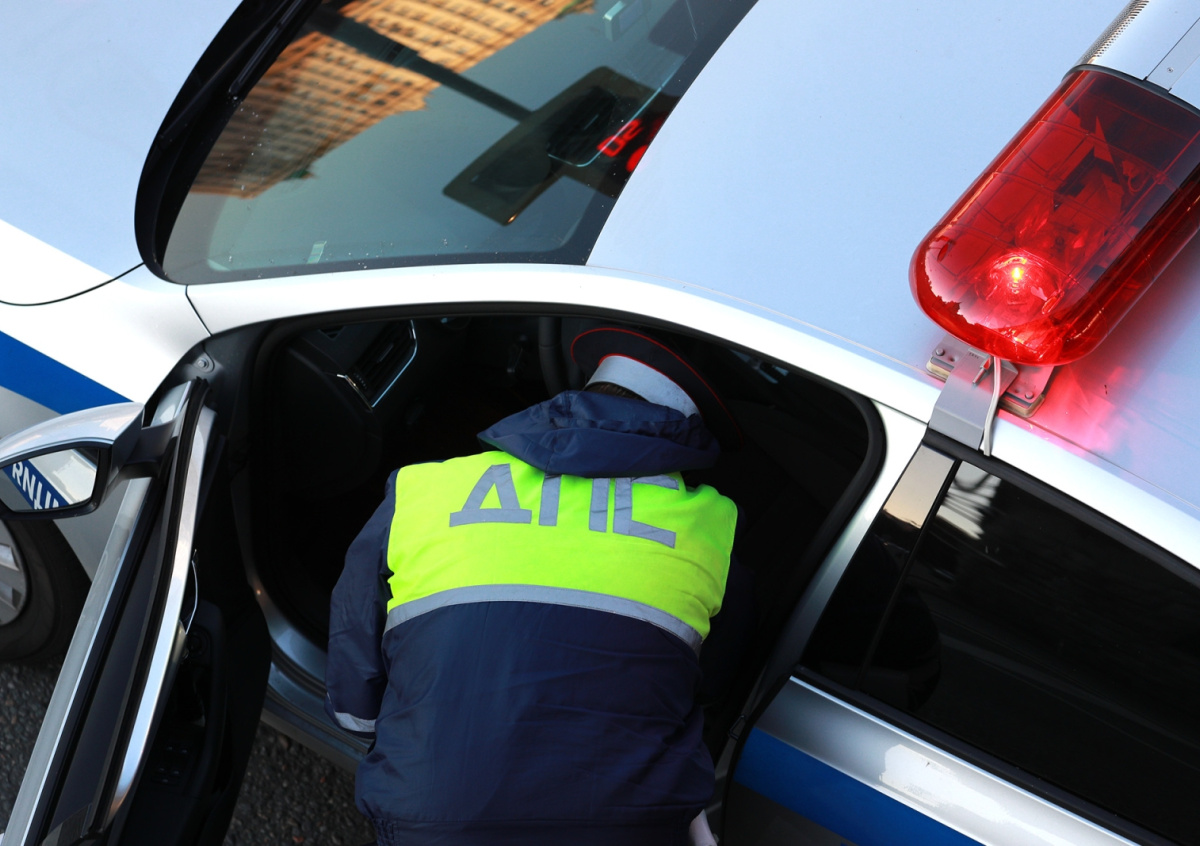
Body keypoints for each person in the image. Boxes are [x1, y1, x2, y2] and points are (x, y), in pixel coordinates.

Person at [325, 326, 744, 846]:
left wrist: (374, 726)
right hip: (620, 824)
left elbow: (355, 625)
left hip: (430, 812)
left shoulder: (424, 486)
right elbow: (709, 684)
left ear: (572, 398)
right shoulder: (712, 526)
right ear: (683, 434)